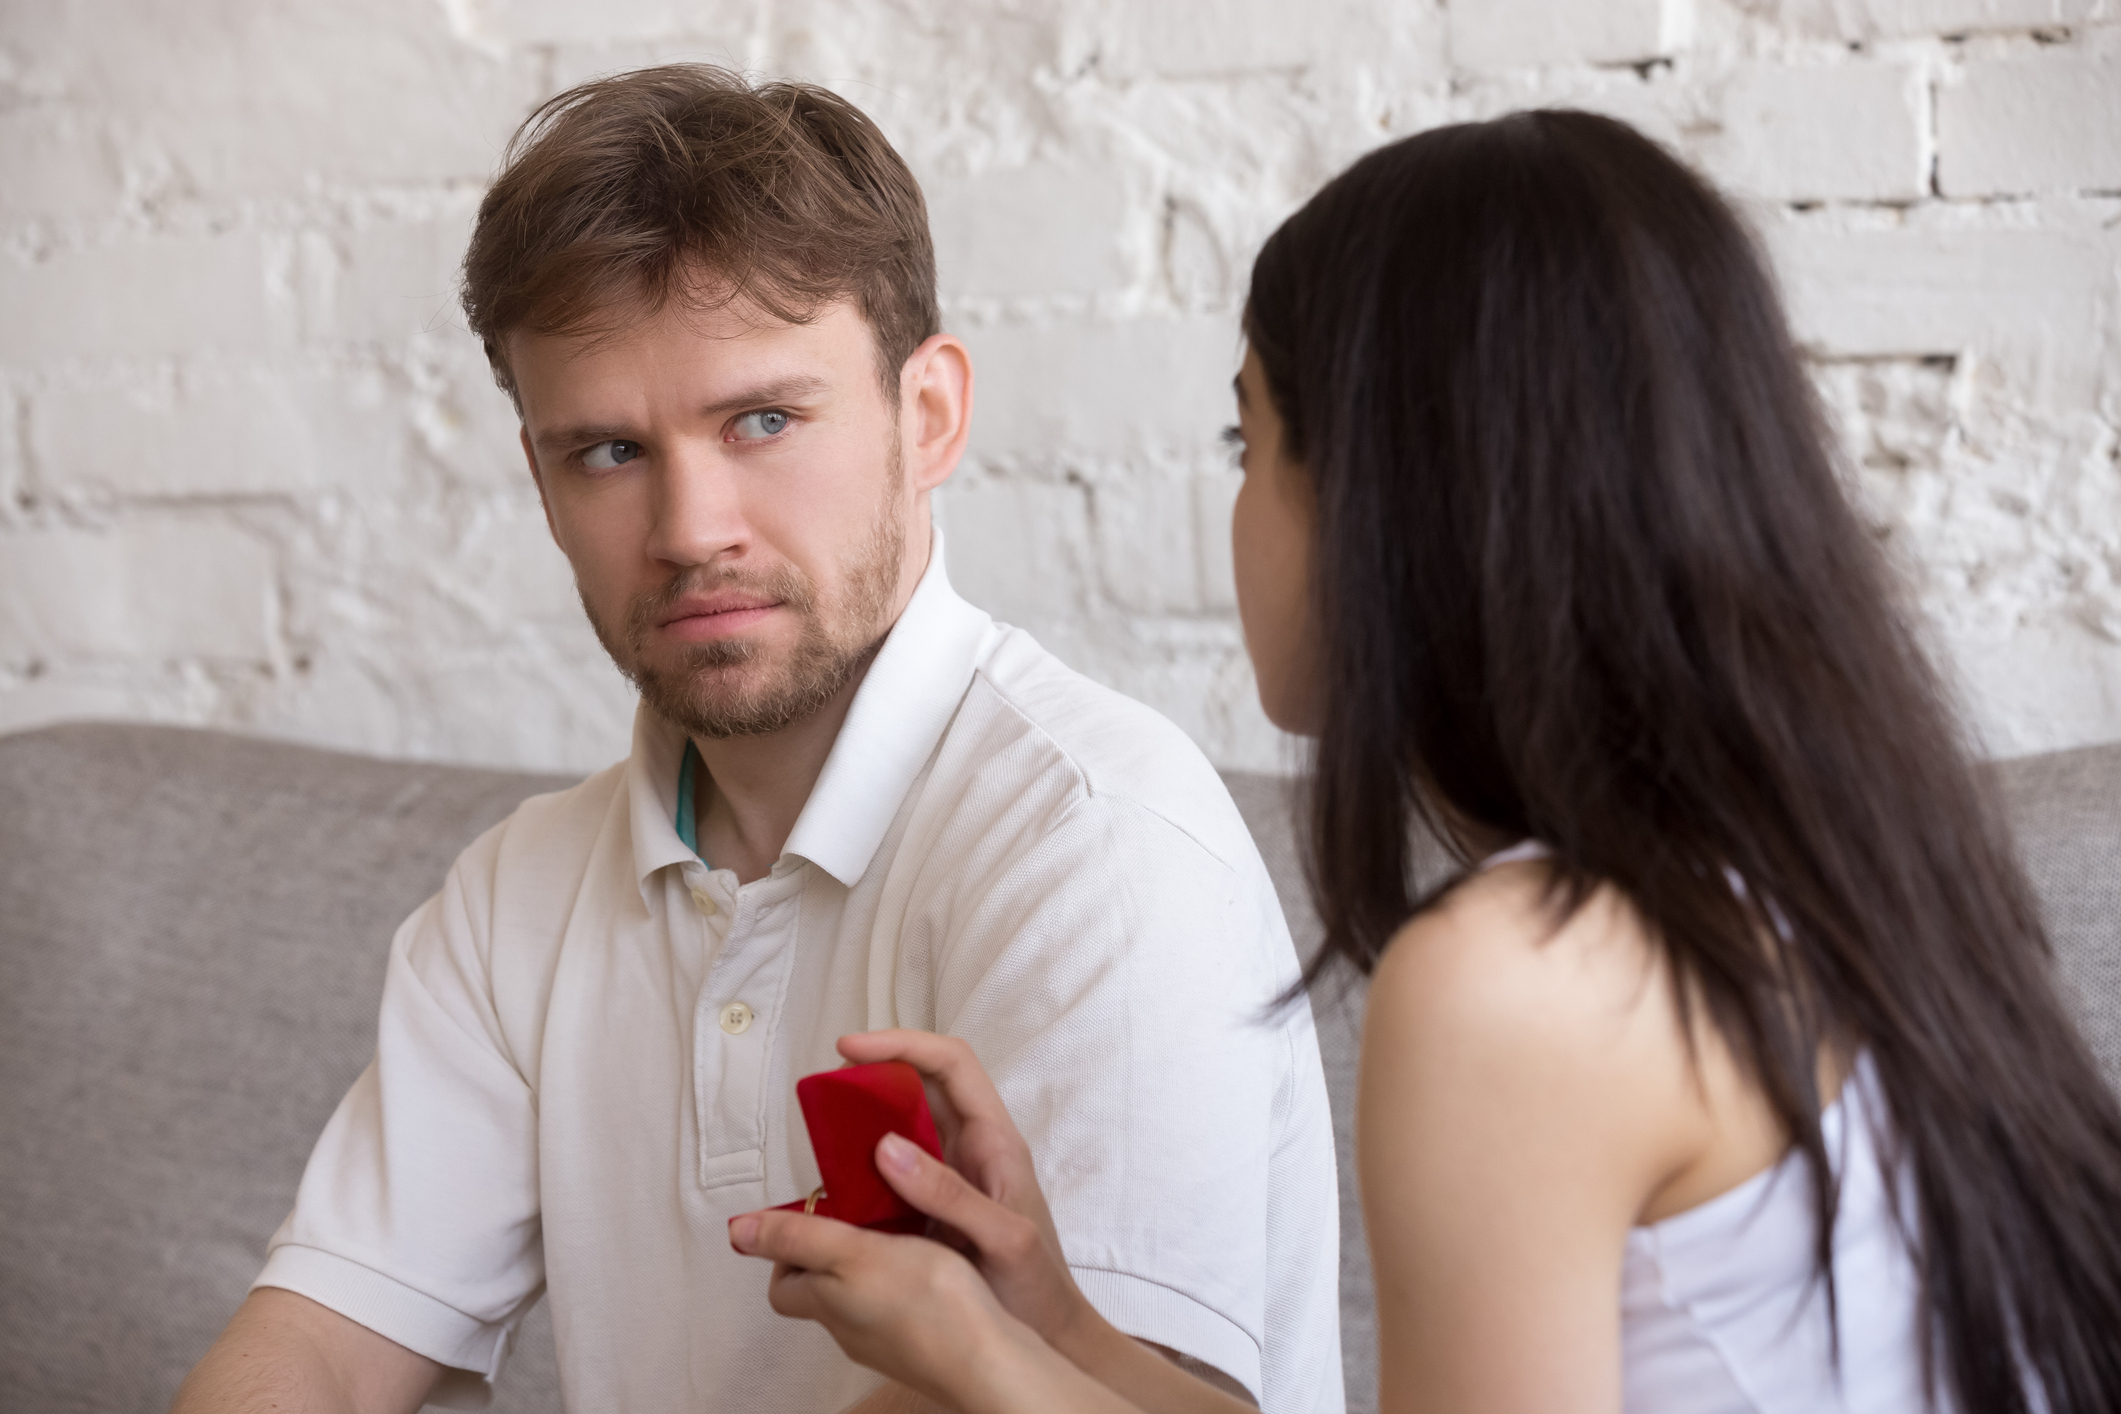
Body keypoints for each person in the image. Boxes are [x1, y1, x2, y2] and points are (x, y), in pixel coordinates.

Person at [729, 109, 2121, 1413]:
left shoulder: (1520, 979)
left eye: (1246, 436)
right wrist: (1056, 1322)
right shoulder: (1815, 884)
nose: (1234, 504)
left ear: (1386, 495)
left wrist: (983, 1365)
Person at [170, 65, 1345, 1414]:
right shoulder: (513, 900)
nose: (688, 526)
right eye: (607, 451)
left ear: (929, 417)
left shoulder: (1094, 833)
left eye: (763, 420)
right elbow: (317, 1340)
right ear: (540, 485)